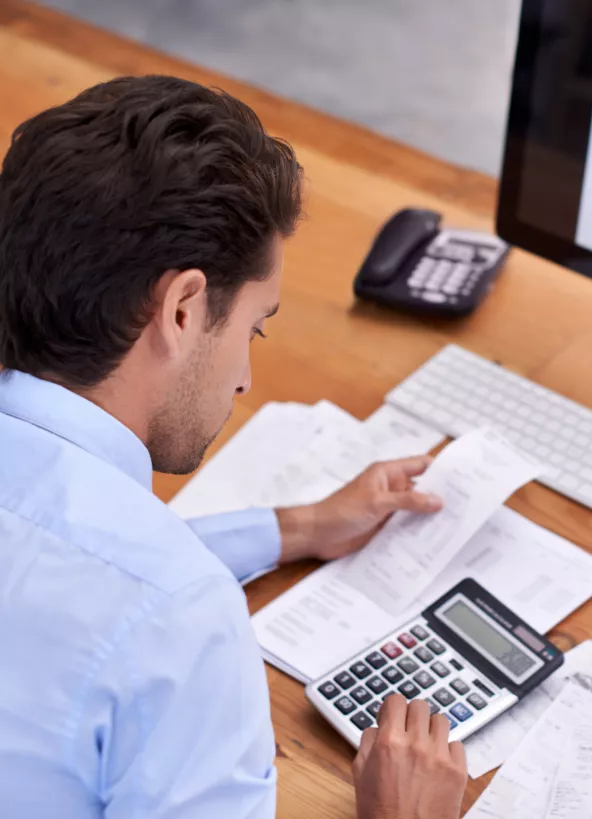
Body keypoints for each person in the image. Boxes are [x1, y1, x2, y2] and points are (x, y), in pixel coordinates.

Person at [0, 76, 467, 819]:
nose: (246, 377)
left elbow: (60, 558)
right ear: (183, 309)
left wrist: (297, 528)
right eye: (253, 327)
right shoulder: (181, 621)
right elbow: (130, 594)